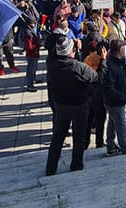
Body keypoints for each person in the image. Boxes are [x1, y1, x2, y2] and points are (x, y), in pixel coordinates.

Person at [45, 37, 99, 176]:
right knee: (79, 137)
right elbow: (95, 78)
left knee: (57, 138)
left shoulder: (52, 65)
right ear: (72, 51)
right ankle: (76, 164)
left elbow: (54, 56)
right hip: (79, 106)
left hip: (61, 105)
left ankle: (50, 168)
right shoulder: (78, 67)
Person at [104, 39, 126, 156]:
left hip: (115, 101)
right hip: (115, 101)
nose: (125, 50)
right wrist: (121, 97)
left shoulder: (118, 62)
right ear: (120, 50)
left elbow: (123, 69)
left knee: (112, 123)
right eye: (124, 48)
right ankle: (125, 148)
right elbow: (109, 87)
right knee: (121, 125)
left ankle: (110, 145)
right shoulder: (111, 66)